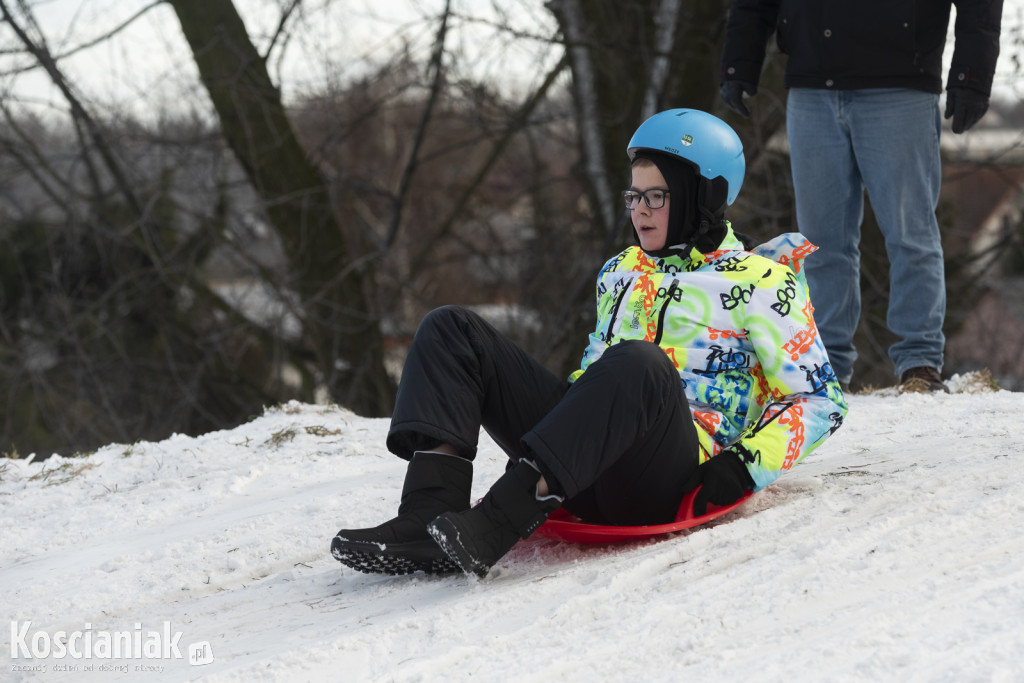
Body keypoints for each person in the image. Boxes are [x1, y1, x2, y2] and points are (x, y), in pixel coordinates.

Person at [331, 109, 848, 579]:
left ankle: (498, 519)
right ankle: (426, 515)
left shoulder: (762, 283)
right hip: (584, 466)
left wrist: (743, 467)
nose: (639, 211)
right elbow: (593, 373)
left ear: (704, 197)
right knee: (451, 329)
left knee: (639, 362)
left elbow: (821, 400)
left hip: (667, 475)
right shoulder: (619, 272)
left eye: (656, 197)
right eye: (633, 196)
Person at [719, 0, 1003, 393]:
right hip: (811, 85)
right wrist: (739, 60)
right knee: (820, 243)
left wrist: (972, 75)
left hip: (899, 85)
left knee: (910, 235)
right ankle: (827, 366)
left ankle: (919, 362)